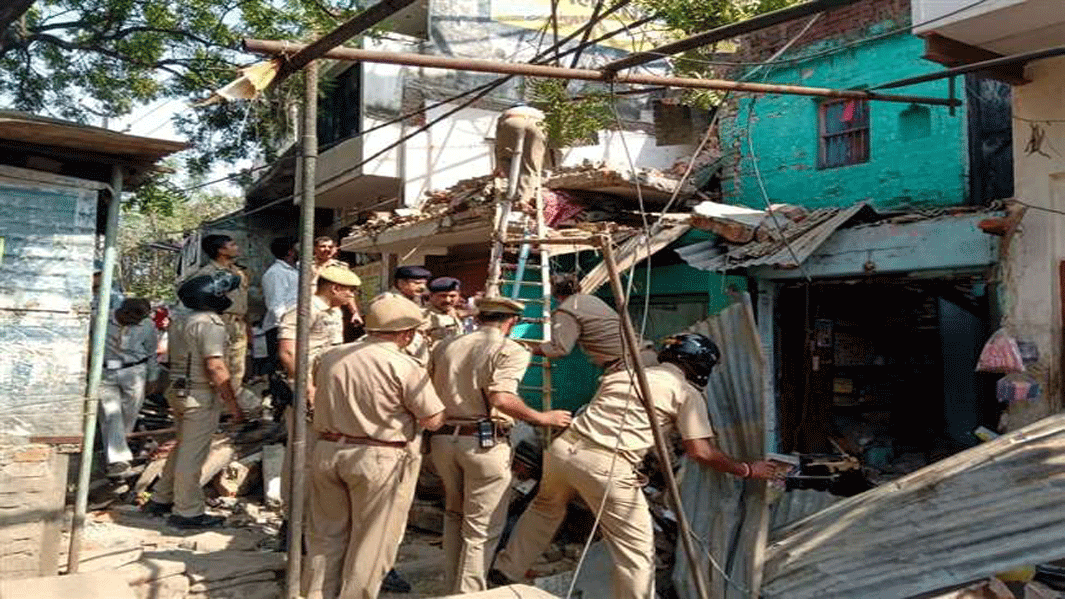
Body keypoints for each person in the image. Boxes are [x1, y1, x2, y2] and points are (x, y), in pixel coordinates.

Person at [490, 333, 786, 599]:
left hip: (563, 450)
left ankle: (507, 570)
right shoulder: (685, 393)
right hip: (605, 465)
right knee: (635, 551)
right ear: (699, 365)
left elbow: (614, 418)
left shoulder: (625, 375)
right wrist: (747, 469)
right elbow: (700, 451)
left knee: (545, 508)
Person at [304, 295, 445, 599]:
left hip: (328, 450)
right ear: (406, 334)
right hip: (378, 456)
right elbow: (432, 420)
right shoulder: (405, 365)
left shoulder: (330, 356)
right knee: (372, 543)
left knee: (325, 538)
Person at [429, 296, 572, 593]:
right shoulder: (510, 350)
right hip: (484, 442)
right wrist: (542, 418)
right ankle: (469, 594)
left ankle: (450, 589)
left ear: (480, 317)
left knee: (454, 517)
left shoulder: (445, 345)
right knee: (481, 530)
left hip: (444, 439)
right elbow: (502, 398)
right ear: (512, 322)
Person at [142, 272, 246, 529]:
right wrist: (233, 406)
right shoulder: (211, 323)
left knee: (182, 447)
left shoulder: (181, 320)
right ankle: (187, 512)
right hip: (199, 395)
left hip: (177, 392)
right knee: (193, 455)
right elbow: (215, 367)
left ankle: (161, 498)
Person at [532, 273, 656, 373]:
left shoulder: (566, 310)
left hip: (628, 367)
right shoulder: (592, 300)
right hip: (648, 358)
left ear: (555, 293)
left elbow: (559, 349)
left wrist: (527, 349)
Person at [99, 298, 158, 478]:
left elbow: (151, 352)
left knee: (129, 414)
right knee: (111, 414)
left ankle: (115, 451)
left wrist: (152, 378)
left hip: (134, 372)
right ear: (123, 312)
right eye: (134, 320)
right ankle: (119, 461)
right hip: (105, 372)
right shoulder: (101, 318)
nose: (138, 323)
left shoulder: (147, 325)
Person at [192, 234, 250, 392]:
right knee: (219, 367)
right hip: (219, 322)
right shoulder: (207, 274)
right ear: (221, 250)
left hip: (238, 324)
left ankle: (230, 410)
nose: (236, 247)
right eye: (232, 245)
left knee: (237, 370)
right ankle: (220, 408)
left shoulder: (238, 272)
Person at [371, 265, 432, 364]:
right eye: (417, 283)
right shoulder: (387, 300)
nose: (422, 287)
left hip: (417, 346)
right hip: (396, 349)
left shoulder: (418, 299)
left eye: (424, 284)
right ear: (401, 283)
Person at [494, 104, 547, 211]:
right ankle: (524, 198)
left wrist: (498, 166)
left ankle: (513, 190)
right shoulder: (537, 112)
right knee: (530, 165)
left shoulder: (508, 112)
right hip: (537, 124)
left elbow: (498, 143)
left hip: (511, 121)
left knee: (505, 159)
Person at [262, 236, 299, 374]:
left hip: (293, 325)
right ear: (290, 252)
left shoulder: (295, 269)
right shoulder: (275, 273)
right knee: (282, 367)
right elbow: (275, 304)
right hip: (281, 327)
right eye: (297, 248)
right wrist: (284, 327)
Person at [312, 236, 363, 328]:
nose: (327, 249)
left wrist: (355, 313)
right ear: (315, 248)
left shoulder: (341, 267)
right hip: (311, 308)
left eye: (330, 247)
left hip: (333, 310)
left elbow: (347, 292)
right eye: (323, 246)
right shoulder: (304, 265)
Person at [425, 276, 464, 343]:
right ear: (431, 296)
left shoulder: (454, 313)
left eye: (452, 296)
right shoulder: (424, 316)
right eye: (443, 296)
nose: (448, 300)